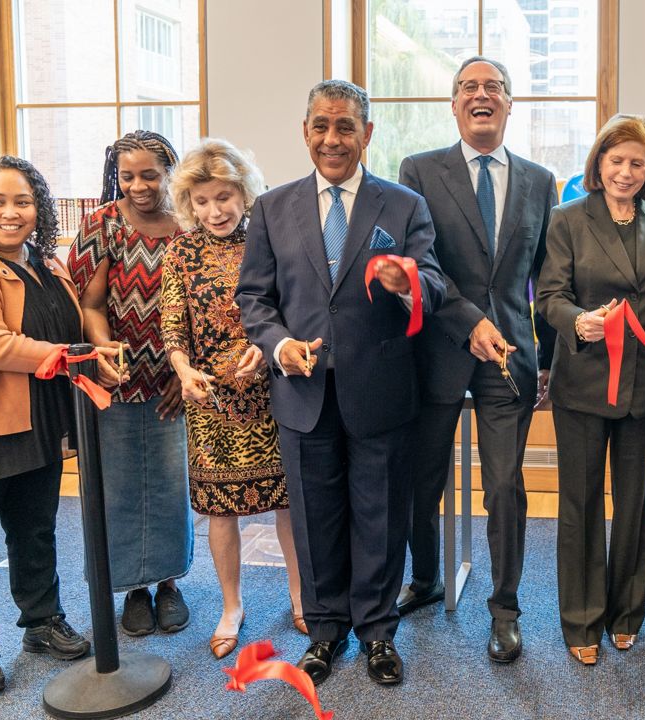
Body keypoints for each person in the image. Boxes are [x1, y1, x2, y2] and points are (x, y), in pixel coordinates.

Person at [236, 79, 445, 687]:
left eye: (346, 127)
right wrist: (277, 345)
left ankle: (377, 632)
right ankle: (325, 631)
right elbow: (255, 297)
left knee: (380, 517)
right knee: (315, 516)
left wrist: (409, 285)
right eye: (321, 126)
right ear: (305, 132)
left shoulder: (403, 205)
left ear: (367, 134)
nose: (333, 139)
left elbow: (431, 280)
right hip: (303, 393)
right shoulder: (272, 208)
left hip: (380, 389)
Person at [397, 56, 558, 663]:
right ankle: (426, 576)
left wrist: (549, 359)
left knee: (505, 486)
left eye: (494, 87)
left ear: (511, 104)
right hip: (438, 350)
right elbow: (423, 267)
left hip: (511, 358)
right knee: (422, 479)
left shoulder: (541, 181)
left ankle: (506, 606)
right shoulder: (419, 170)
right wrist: (471, 324)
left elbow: (548, 277)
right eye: (469, 87)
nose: (481, 95)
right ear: (454, 103)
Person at [0, 156, 116, 698]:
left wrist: (96, 345)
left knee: (35, 529)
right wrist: (73, 354)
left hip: (35, 420)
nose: (11, 213)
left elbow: (74, 316)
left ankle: (41, 623)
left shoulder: (44, 261)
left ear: (38, 209)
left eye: (23, 201)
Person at [537, 113, 645, 666]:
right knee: (580, 503)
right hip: (584, 381)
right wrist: (577, 321)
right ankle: (582, 618)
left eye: (636, 163)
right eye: (615, 160)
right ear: (598, 163)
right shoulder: (567, 218)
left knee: (636, 502)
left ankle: (626, 614)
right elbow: (549, 294)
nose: (625, 172)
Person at [160, 139, 304, 660]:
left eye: (223, 197)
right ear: (188, 205)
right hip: (209, 398)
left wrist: (261, 349)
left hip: (271, 391)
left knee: (289, 500)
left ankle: (299, 595)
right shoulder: (179, 251)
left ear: (244, 194)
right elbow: (172, 322)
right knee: (219, 509)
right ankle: (230, 606)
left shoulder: (267, 241)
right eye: (201, 201)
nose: (213, 210)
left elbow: (286, 309)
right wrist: (182, 368)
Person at [67, 130, 193, 637]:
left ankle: (167, 584)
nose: (138, 185)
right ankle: (133, 591)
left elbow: (208, 305)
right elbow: (90, 305)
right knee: (118, 486)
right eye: (127, 176)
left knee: (169, 484)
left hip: (177, 378)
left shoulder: (189, 225)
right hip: (114, 378)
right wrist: (104, 352)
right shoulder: (103, 224)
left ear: (170, 172)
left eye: (149, 174)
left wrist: (183, 376)